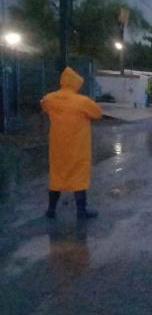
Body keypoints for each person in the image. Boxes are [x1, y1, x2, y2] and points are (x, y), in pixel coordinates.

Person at [41, 67, 103, 219]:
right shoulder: (82, 101)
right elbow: (97, 113)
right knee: (79, 177)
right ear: (75, 83)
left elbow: (44, 104)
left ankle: (51, 209)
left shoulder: (50, 98)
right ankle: (81, 210)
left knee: (57, 176)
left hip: (58, 146)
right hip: (78, 146)